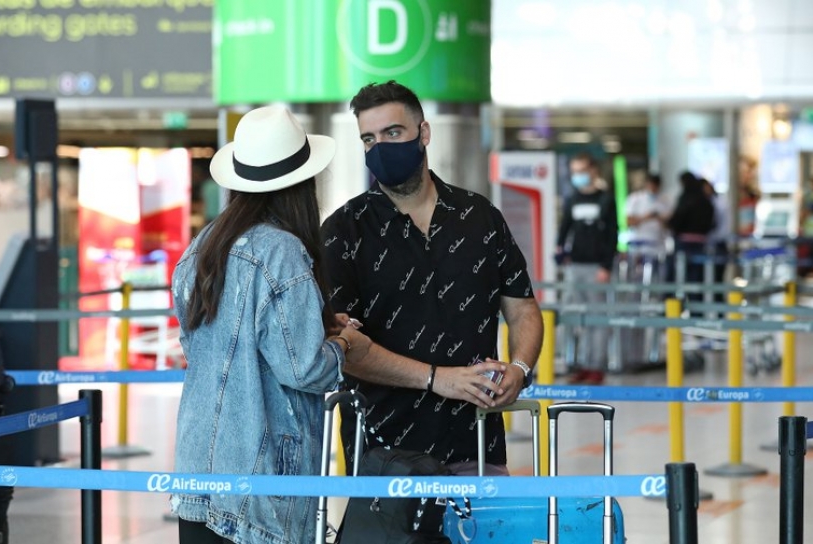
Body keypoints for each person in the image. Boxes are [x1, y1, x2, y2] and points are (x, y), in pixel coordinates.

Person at [170, 106, 506, 544]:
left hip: (197, 477)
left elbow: (212, 345)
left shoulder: (202, 248)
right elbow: (305, 369)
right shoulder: (282, 251)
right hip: (263, 483)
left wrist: (318, 324)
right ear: (301, 184)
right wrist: (343, 343)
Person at [321, 81, 543, 477]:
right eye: (369, 139)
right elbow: (345, 345)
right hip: (383, 454)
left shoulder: (479, 217)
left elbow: (523, 307)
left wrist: (521, 369)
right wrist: (437, 379)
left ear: (423, 133)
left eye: (393, 133)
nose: (381, 148)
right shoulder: (344, 231)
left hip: (476, 442)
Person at [555, 153, 619, 385]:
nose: (578, 176)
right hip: (576, 265)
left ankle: (596, 365)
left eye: (581, 170)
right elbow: (565, 228)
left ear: (593, 170)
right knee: (576, 317)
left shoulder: (606, 199)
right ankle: (580, 363)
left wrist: (606, 265)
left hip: (596, 267)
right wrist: (561, 252)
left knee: (596, 318)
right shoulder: (572, 199)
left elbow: (613, 233)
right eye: (574, 171)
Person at [666, 171, 714, 305]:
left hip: (683, 244)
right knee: (696, 279)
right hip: (701, 244)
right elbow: (711, 223)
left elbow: (676, 220)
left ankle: (674, 310)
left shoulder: (685, 198)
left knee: (677, 278)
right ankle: (696, 310)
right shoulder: (705, 200)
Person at [625, 173, 670, 261]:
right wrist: (646, 217)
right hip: (639, 242)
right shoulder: (635, 199)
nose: (652, 189)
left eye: (655, 187)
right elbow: (629, 222)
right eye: (650, 186)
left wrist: (660, 219)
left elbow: (669, 224)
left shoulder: (665, 201)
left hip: (658, 243)